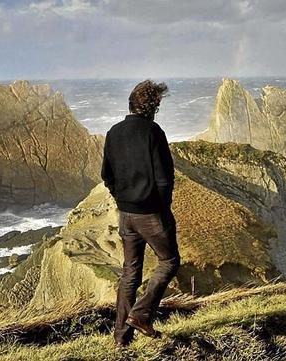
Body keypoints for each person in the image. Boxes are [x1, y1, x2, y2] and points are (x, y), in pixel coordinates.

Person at [101, 79, 180, 346]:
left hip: (125, 214)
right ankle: (142, 314)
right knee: (169, 262)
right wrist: (162, 208)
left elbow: (107, 175)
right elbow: (164, 178)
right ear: (152, 106)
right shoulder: (152, 132)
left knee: (130, 272)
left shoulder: (113, 132)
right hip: (151, 214)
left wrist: (121, 198)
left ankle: (121, 338)